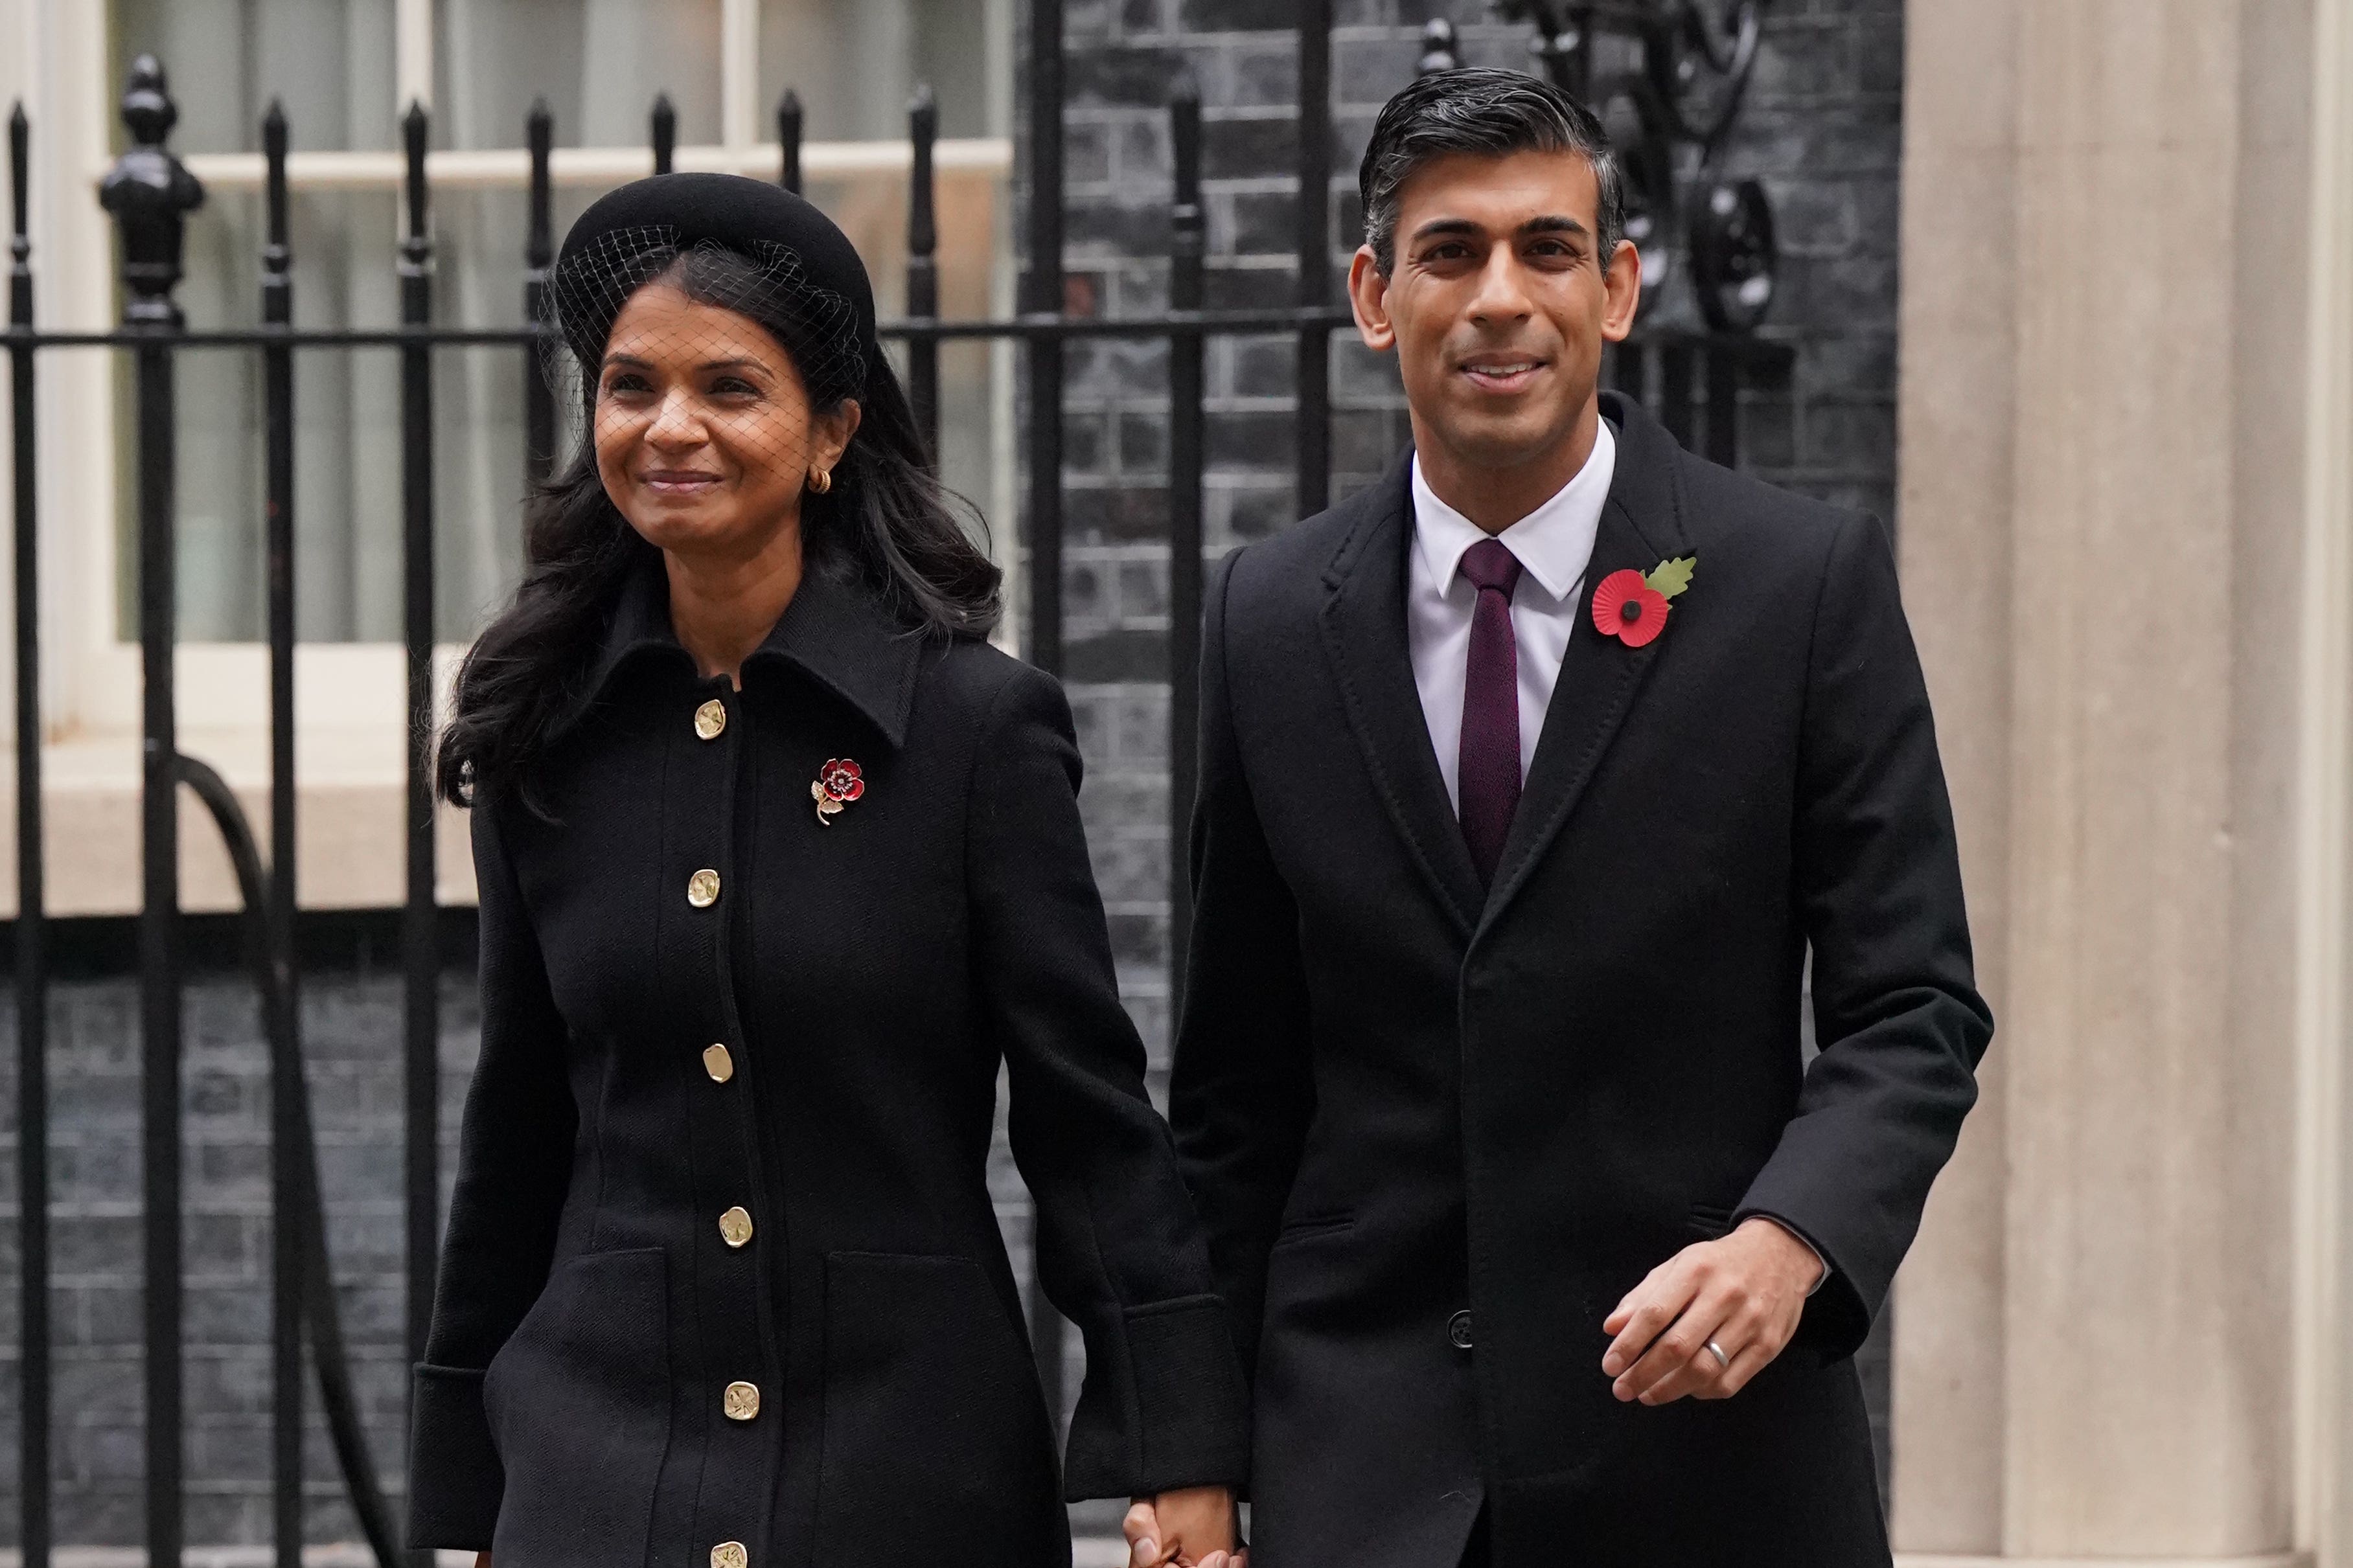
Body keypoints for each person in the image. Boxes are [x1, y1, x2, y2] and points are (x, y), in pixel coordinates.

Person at [1149, 70, 1993, 1567]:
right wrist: (1189, 1455)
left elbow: (1910, 1005)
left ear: (1615, 289)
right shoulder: (1268, 616)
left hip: (1702, 1456)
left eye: (1546, 250)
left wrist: (1788, 1238)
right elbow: (1232, 1094)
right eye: (1448, 252)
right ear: (1370, 292)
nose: (1497, 299)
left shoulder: (1796, 587)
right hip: (1361, 1469)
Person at [406, 172, 1246, 1568]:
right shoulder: (541, 735)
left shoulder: (974, 729)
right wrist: (464, 1494)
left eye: (730, 387)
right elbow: (517, 1134)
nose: (670, 427)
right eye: (630, 387)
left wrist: (1182, 1440)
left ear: (828, 435)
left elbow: (1088, 1118)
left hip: (909, 1468)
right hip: (598, 1468)